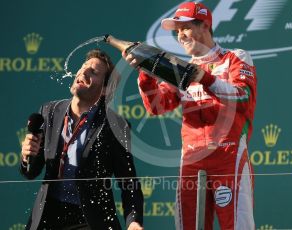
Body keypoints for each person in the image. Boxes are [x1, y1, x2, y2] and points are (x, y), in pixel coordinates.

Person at [123, 2, 257, 229]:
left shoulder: (235, 57)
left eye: (184, 28)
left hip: (229, 156)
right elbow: (157, 106)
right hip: (192, 162)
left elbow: (243, 97)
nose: (180, 36)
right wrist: (145, 74)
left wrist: (205, 79)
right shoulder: (181, 70)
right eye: (176, 32)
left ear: (205, 24)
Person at [20, 49, 144, 230]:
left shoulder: (115, 125)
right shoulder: (49, 111)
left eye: (93, 72)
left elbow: (129, 182)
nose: (83, 72)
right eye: (83, 67)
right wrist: (26, 157)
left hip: (91, 220)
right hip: (48, 215)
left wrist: (133, 221)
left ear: (103, 90)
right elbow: (30, 172)